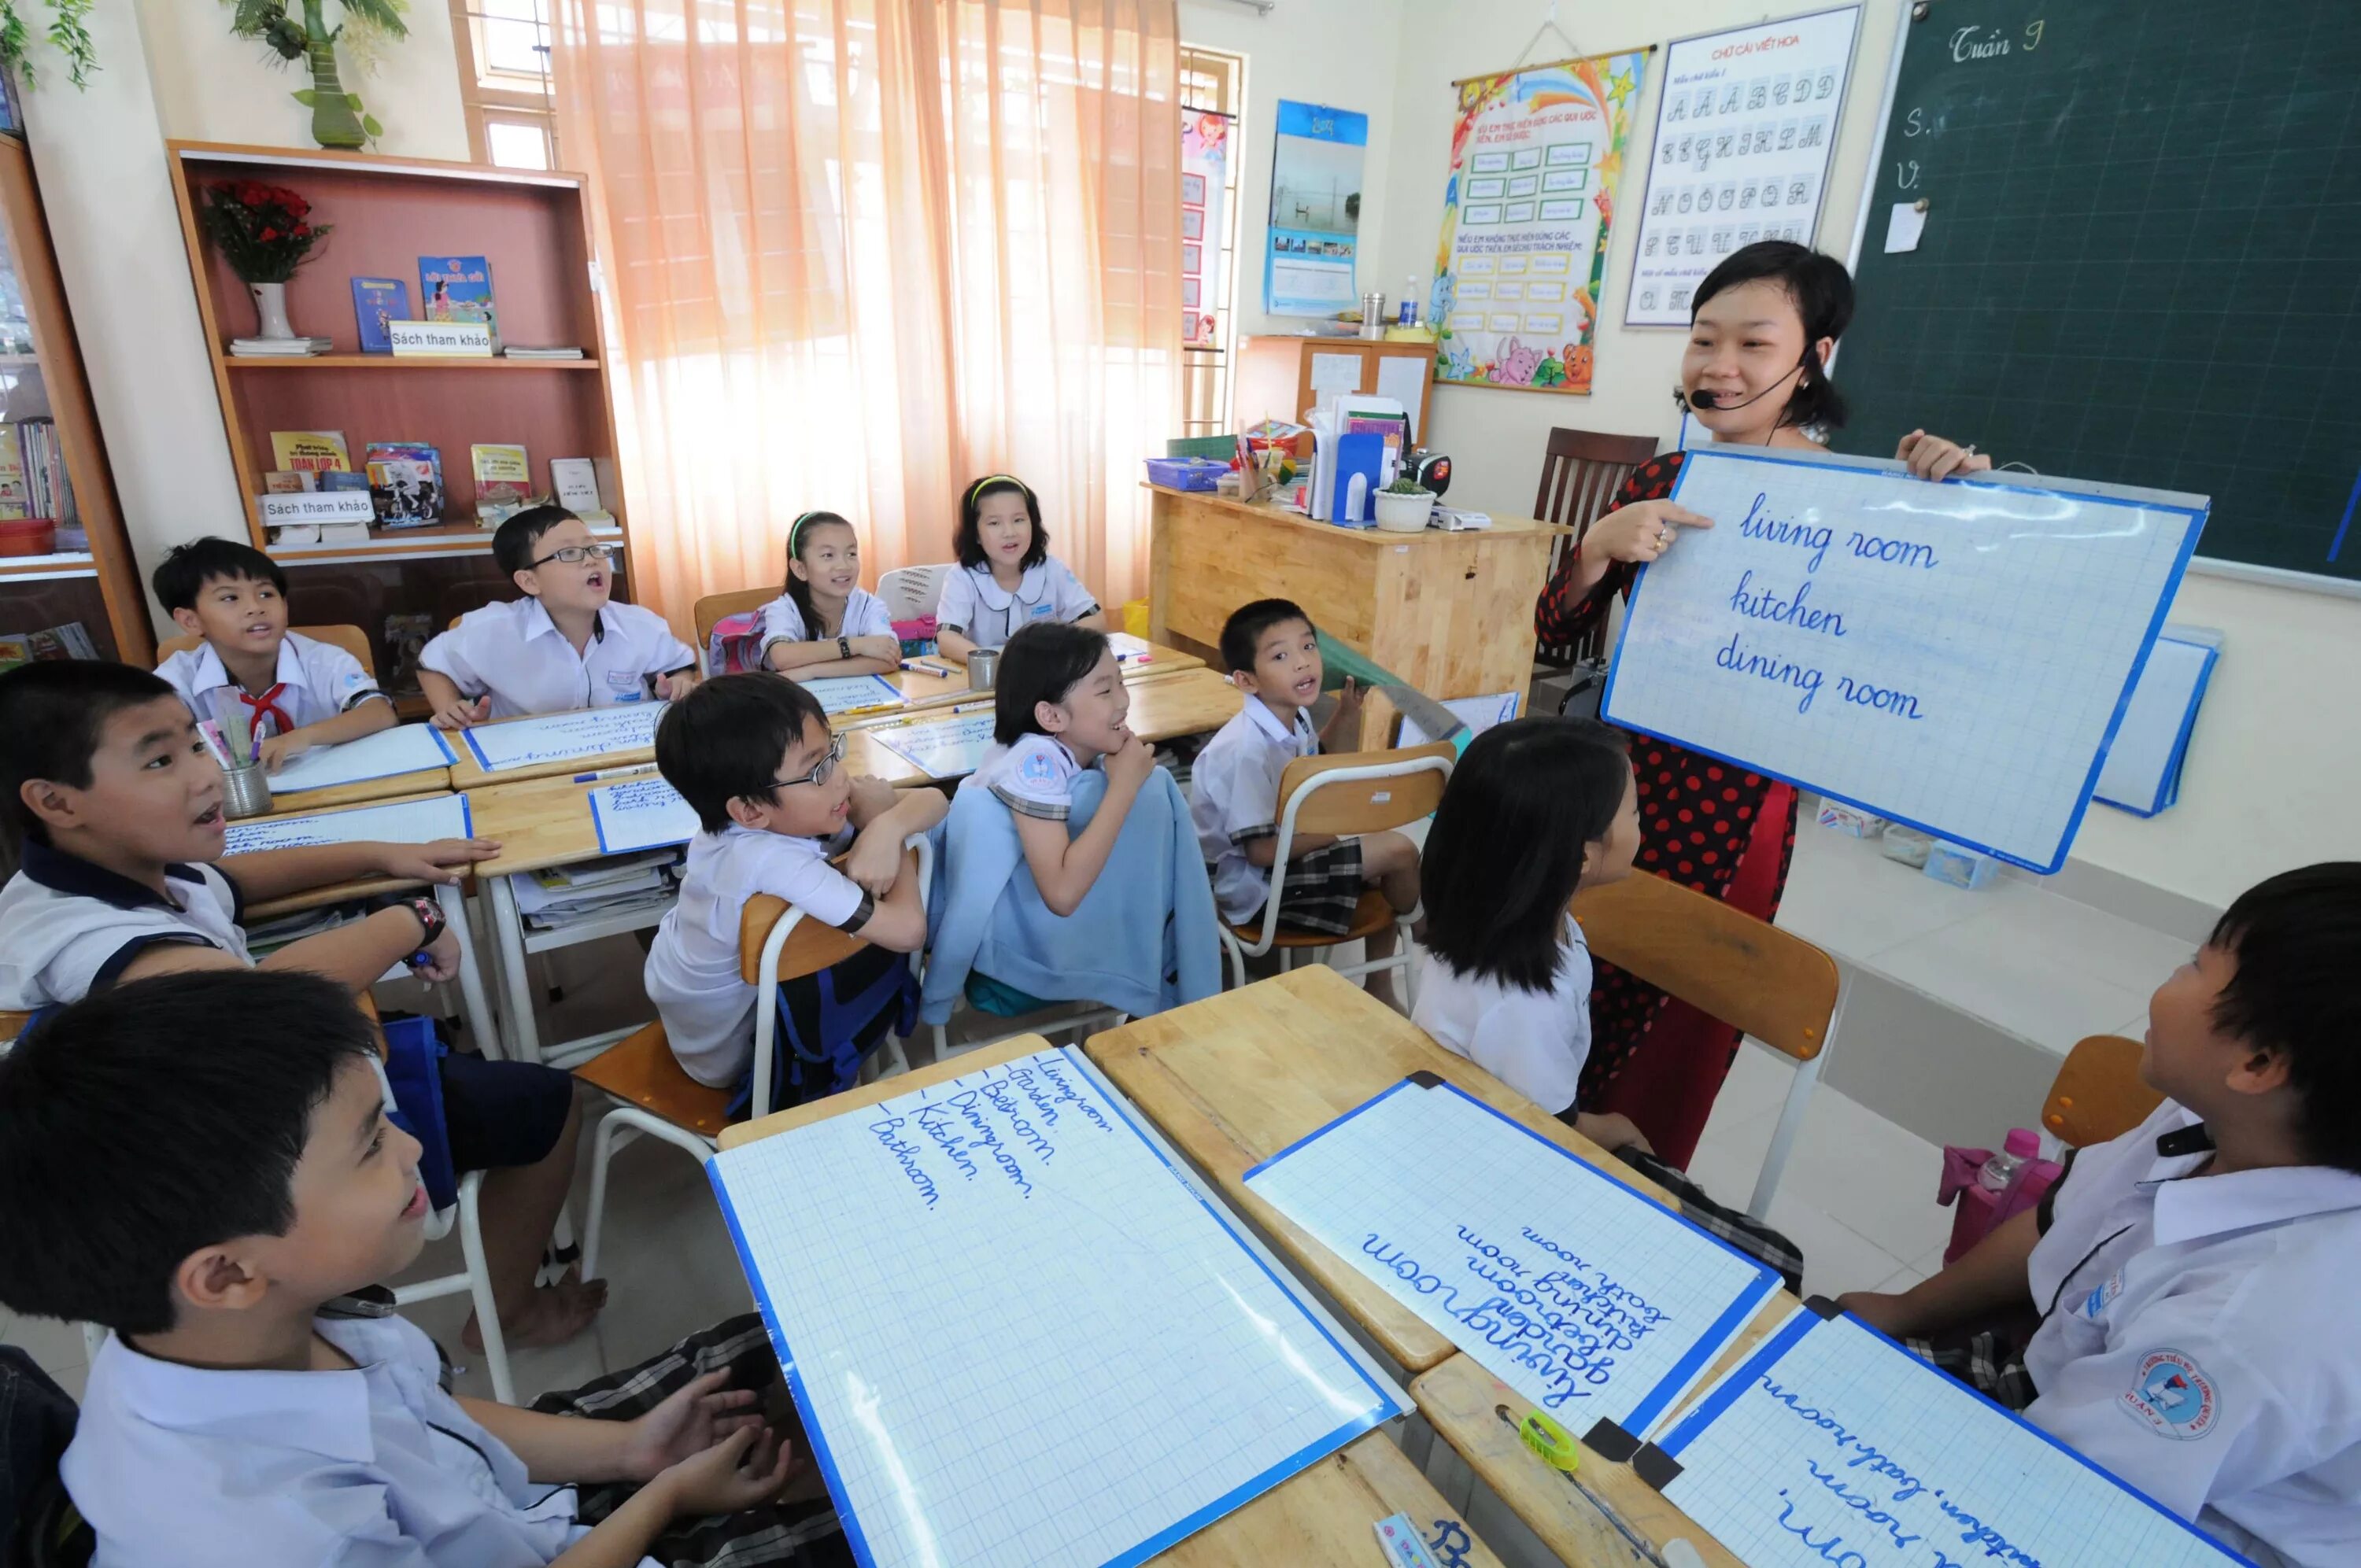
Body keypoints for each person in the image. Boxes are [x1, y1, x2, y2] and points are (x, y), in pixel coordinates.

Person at [0, 971, 850, 1568]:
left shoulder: (255, 1324)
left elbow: (429, 1417)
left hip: (509, 1504)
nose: (413, 1150)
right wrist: (659, 1500)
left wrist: (633, 1452)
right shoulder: (279, 1533)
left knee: (776, 1342)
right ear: (225, 1275)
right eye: (372, 1144)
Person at [1532, 239, 1991, 1166]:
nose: (1721, 367)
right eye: (1705, 341)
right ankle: (1538, 1123)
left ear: (1815, 357)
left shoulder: (1864, 497)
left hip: (1736, 806)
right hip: (1619, 779)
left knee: (1681, 997)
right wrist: (1595, 547)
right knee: (1570, 972)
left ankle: (1631, 1175)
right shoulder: (1660, 479)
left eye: (1753, 343)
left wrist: (1958, 501)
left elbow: (1940, 628)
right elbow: (1552, 629)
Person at [0, 659, 601, 1351]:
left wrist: (384, 853)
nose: (203, 775)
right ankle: (511, 1312)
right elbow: (249, 1003)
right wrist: (414, 920)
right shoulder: (85, 934)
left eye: (196, 745)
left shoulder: (105, 868)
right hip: (254, 1163)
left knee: (445, 1055)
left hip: (248, 1107)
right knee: (549, 1103)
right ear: (56, 801)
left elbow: (227, 880)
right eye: (160, 760)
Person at [1836, 864, 2361, 1568]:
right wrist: (1903, 1309)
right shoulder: (2213, 1118)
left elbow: (2060, 1515)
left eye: (2195, 965)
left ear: (2260, 1062)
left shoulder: (2244, 1328)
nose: (2167, 980)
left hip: (2139, 1515)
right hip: (2069, 1402)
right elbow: (2062, 1220)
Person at [643, 673, 943, 1091]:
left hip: (716, 1003)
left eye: (833, 751)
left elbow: (935, 799)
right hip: (729, 1057)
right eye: (818, 769)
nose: (840, 776)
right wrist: (882, 822)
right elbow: (910, 930)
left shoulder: (798, 799)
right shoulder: (766, 859)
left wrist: (891, 826)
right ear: (749, 812)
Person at [1413, 717, 1649, 1154]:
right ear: (1582, 854)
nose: (1641, 820)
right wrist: (1618, 1128)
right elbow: (1549, 1134)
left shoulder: (1493, 919)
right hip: (1490, 1157)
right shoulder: (1526, 1005)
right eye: (1633, 811)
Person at [1188, 598, 1417, 1009]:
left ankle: (1381, 986)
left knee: (1389, 861)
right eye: (1280, 655)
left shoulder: (1292, 717)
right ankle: (1430, 929)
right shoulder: (1245, 750)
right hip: (1253, 890)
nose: (1302, 662)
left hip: (1283, 862)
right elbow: (1259, 852)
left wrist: (1348, 712)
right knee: (1399, 851)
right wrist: (1330, 831)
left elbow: (1320, 765)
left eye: (1308, 647)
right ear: (1246, 680)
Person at [419, 505, 699, 729]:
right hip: (528, 765)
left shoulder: (641, 625)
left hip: (620, 757)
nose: (591, 560)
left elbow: (678, 666)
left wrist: (678, 684)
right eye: (569, 553)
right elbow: (432, 665)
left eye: (594, 548)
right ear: (529, 581)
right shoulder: (493, 629)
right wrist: (449, 708)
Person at [150, 537, 395, 771]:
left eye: (266, 594)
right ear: (191, 621)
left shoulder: (324, 661)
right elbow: (159, 755)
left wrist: (301, 738)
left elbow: (380, 713)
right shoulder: (176, 682)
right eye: (230, 598)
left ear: (285, 605)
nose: (255, 608)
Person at [963, 622, 1155, 917]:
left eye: (1121, 681)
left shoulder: (1070, 748)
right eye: (1105, 690)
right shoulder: (1035, 762)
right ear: (1052, 716)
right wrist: (1125, 785)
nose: (1124, 701)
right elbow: (1062, 895)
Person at [932, 474, 1100, 662]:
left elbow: (1096, 621)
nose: (1010, 532)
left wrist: (1053, 645)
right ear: (976, 534)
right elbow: (947, 640)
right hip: (990, 679)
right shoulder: (962, 577)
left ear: (1033, 524)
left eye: (1019, 520)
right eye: (994, 523)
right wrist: (1001, 662)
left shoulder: (1052, 569)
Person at [759, 511, 901, 679]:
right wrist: (857, 646)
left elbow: (889, 659)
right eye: (828, 556)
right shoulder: (784, 609)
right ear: (800, 569)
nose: (844, 565)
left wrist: (810, 672)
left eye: (851, 554)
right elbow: (783, 657)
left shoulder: (869, 605)